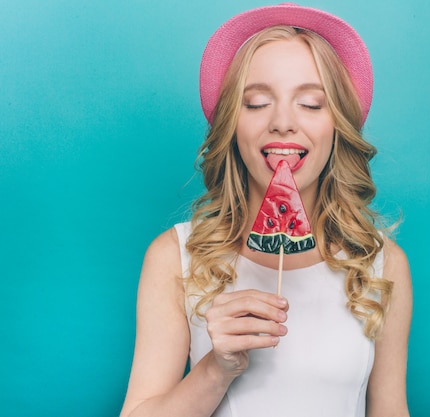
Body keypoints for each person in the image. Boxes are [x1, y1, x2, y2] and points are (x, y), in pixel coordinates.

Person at [120, 4, 412, 417]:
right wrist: (216, 369)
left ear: (337, 125)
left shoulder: (381, 264)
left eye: (311, 103)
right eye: (256, 102)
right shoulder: (175, 257)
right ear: (231, 124)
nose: (282, 122)